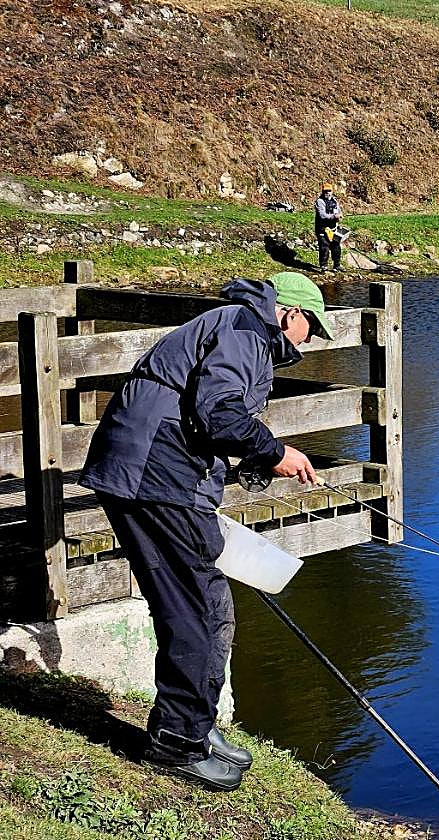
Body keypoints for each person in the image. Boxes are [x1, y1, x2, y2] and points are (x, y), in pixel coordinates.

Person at [79, 272, 334, 791]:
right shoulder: (245, 330)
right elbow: (218, 413)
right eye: (313, 328)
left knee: (210, 602)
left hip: (157, 474)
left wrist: (253, 461)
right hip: (153, 477)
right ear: (290, 314)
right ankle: (176, 744)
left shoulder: (242, 330)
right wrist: (277, 452)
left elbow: (206, 418)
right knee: (193, 606)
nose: (311, 343)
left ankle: (197, 723)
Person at [314, 182, 344, 271]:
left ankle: (337, 265)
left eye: (329, 191)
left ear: (332, 191)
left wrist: (340, 216)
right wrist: (334, 216)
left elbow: (339, 211)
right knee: (324, 247)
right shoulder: (320, 201)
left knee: (336, 247)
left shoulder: (334, 201)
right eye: (326, 191)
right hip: (322, 229)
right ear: (323, 192)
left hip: (333, 229)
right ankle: (324, 266)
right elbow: (322, 215)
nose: (328, 193)